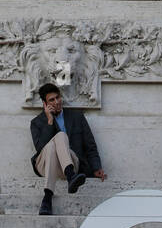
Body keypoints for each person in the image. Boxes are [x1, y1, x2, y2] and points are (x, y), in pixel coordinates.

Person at [30, 83, 107, 216]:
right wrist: (49, 121)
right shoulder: (36, 122)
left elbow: (90, 145)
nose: (57, 102)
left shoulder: (77, 117)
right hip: (46, 164)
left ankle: (47, 197)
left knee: (60, 137)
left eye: (58, 97)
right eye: (51, 100)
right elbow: (40, 148)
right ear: (45, 104)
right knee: (54, 143)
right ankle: (70, 177)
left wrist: (96, 167)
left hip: (72, 162)